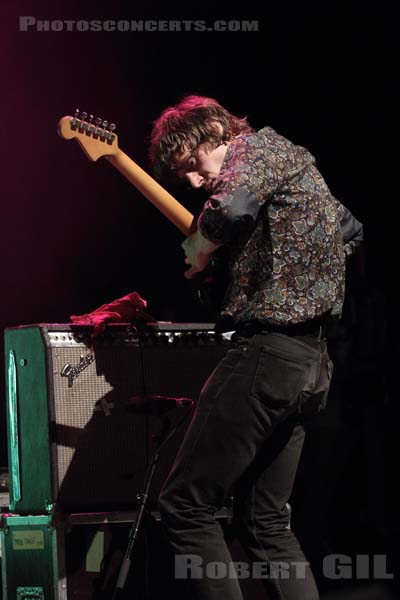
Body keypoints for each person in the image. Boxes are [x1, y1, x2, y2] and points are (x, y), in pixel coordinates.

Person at [149, 95, 363, 600]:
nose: (196, 183)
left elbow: (233, 211)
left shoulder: (254, 152)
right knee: (265, 522)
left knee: (186, 507)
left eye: (192, 167)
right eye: (185, 181)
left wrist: (204, 244)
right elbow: (351, 229)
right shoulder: (292, 163)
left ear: (213, 136)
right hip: (310, 366)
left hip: (267, 354)